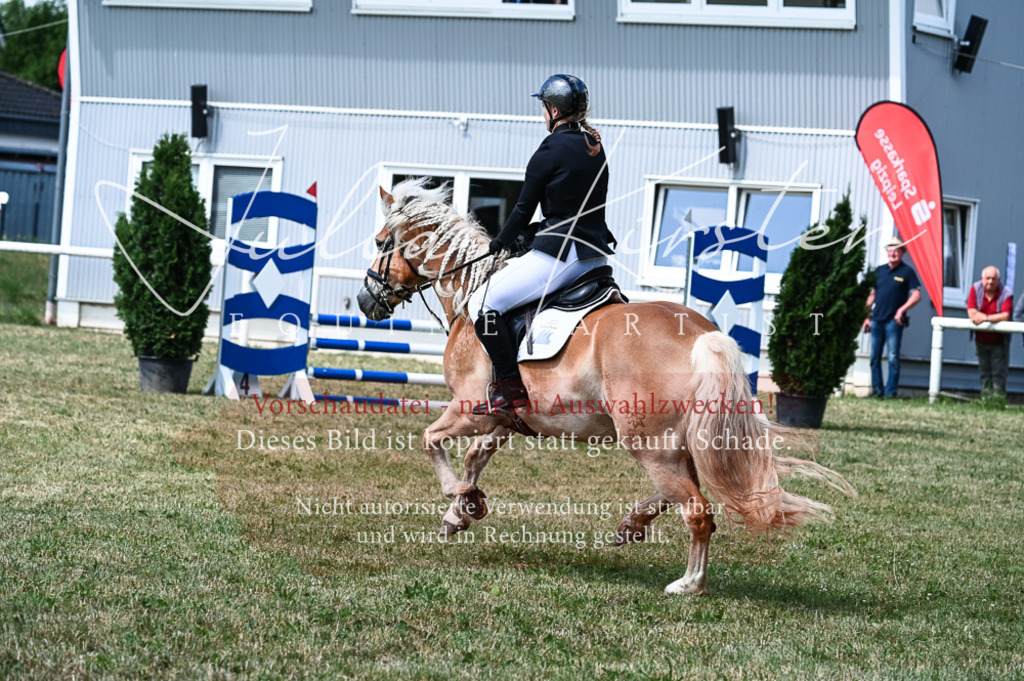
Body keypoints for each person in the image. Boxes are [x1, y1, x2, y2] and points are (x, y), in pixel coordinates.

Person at [467, 74, 616, 414]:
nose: (543, 114)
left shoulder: (550, 148)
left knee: (483, 303)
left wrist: (500, 242)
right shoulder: (594, 145)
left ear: (553, 110)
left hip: (562, 255)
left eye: (544, 108)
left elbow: (523, 208)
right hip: (594, 256)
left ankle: (509, 388)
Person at [861, 236, 922, 398]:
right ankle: (877, 391)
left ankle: (891, 392)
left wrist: (901, 310)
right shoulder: (879, 271)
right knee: (874, 357)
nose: (893, 253)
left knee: (893, 358)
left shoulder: (907, 272)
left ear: (902, 253)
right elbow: (871, 295)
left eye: (896, 250)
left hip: (893, 322)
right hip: (876, 320)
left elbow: (916, 295)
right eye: (890, 250)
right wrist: (866, 316)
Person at [967, 266, 1013, 395]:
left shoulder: (1006, 293)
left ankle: (997, 400)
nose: (990, 281)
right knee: (984, 373)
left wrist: (985, 318)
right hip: (980, 341)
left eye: (993, 279)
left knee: (999, 374)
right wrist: (992, 318)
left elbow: (1005, 316)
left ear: (999, 280)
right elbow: (972, 313)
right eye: (988, 278)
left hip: (999, 342)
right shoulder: (975, 289)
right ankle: (985, 400)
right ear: (982, 279)